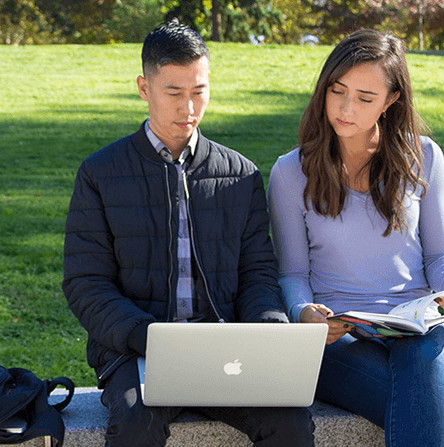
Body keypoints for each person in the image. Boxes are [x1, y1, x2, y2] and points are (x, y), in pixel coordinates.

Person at [63, 20, 315, 447]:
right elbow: (86, 284)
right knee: (135, 425)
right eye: (174, 93)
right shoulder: (100, 174)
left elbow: (257, 273)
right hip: (134, 349)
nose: (189, 108)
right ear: (145, 88)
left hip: (227, 347)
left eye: (199, 91)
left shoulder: (240, 174)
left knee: (290, 422)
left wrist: (267, 329)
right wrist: (148, 337)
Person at [268, 29, 444, 447]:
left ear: (391, 100)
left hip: (420, 331)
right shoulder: (291, 173)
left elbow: (441, 255)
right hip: (338, 340)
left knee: (422, 366)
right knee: (422, 404)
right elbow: (291, 272)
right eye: (337, 91)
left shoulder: (425, 157)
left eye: (365, 98)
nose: (345, 108)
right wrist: (303, 311)